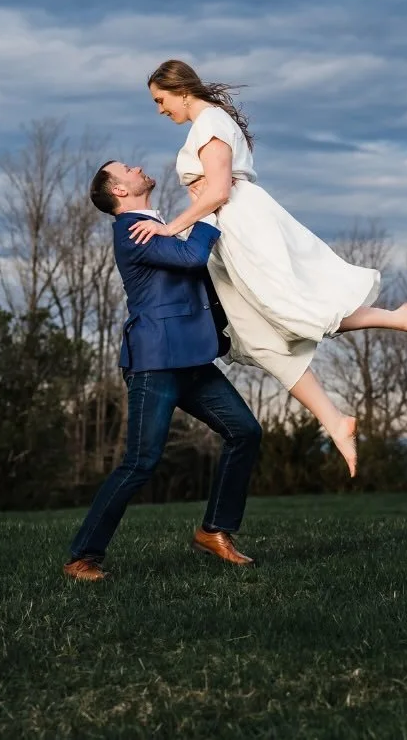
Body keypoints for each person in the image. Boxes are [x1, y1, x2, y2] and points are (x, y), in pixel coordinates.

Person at [129, 60, 407, 478]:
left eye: (161, 100)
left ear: (182, 91)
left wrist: (170, 228)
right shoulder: (208, 124)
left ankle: (396, 317)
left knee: (289, 310)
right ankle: (334, 419)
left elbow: (220, 190)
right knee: (258, 334)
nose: (160, 109)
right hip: (223, 236)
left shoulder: (209, 123)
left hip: (241, 226)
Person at [62, 161, 262, 583]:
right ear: (119, 191)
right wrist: (210, 206)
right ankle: (82, 557)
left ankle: (214, 531)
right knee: (140, 462)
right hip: (155, 364)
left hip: (191, 358)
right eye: (126, 169)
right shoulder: (132, 230)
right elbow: (192, 258)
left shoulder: (159, 225)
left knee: (244, 431)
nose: (137, 167)